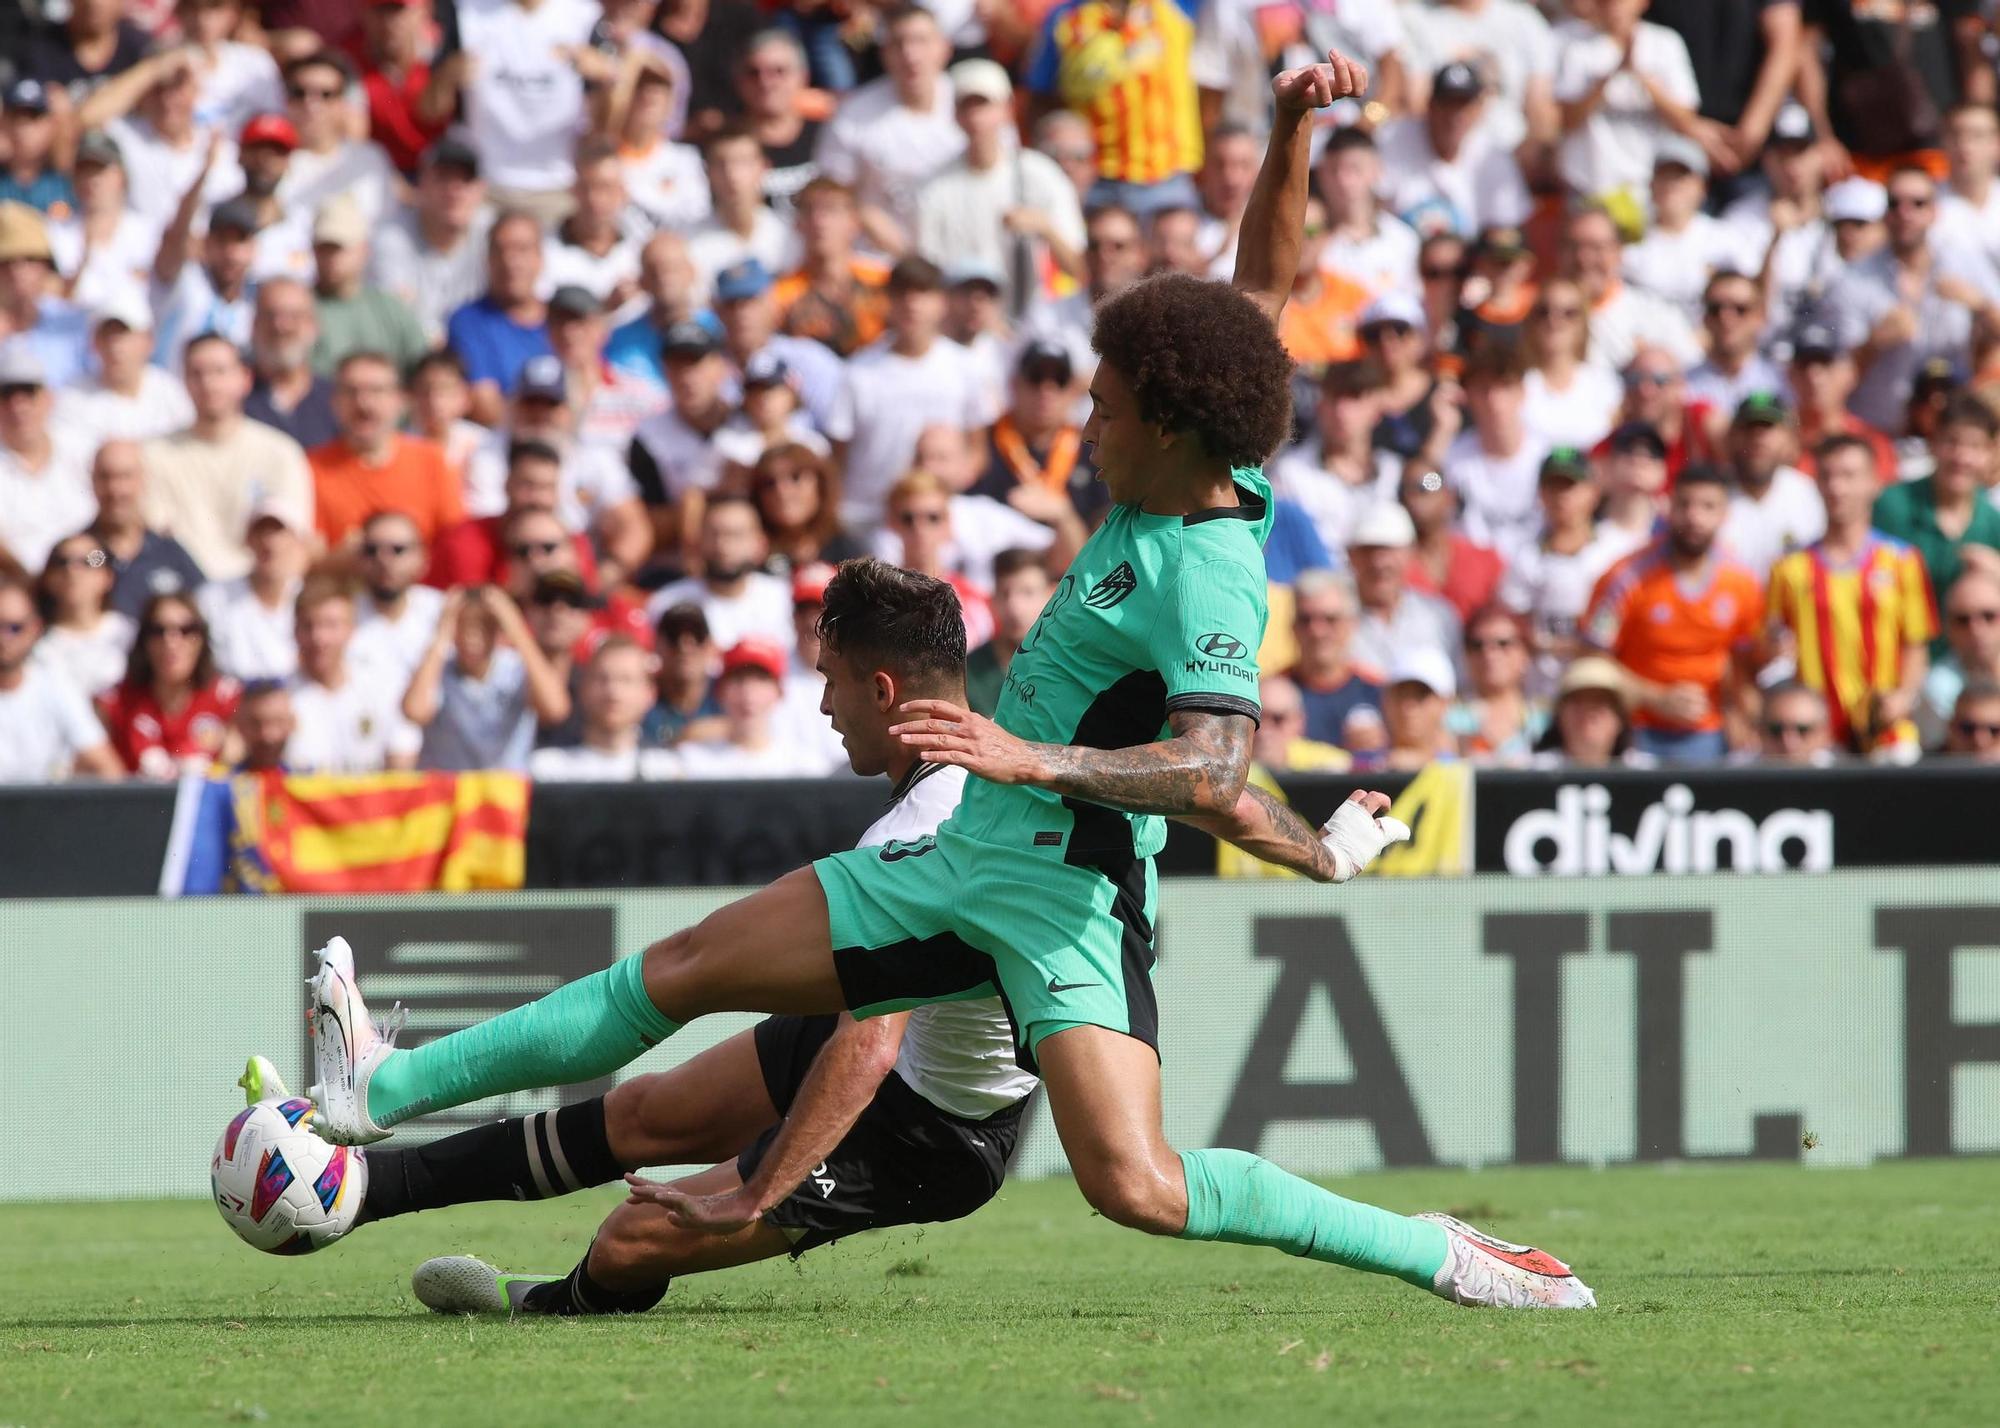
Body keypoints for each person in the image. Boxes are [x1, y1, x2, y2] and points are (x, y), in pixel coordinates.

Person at [300, 51, 1594, 1314]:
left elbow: (1214, 767)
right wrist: (1289, 132)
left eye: (1107, 406)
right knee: (687, 965)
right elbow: (1260, 289)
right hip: (964, 854)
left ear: (1176, 425)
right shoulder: (1209, 461)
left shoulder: (1210, 573)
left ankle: (1432, 1250)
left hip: (1061, 898)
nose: (1087, 425)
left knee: (1135, 1183)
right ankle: (382, 1086)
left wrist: (1038, 760)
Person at [1767, 434, 1937, 759]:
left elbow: (1916, 644)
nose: (1837, 487)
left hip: (1886, 731)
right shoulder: (1789, 567)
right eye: (1828, 475)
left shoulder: (1902, 561)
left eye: (1848, 476)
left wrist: (1902, 697)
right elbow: (1769, 646)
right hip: (1814, 736)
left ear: (1874, 483)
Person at [1583, 464, 1763, 761]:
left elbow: (1743, 661)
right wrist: (1654, 697)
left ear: (1725, 515)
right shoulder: (1626, 578)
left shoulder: (1742, 583)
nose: (1694, 517)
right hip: (1636, 730)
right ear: (1667, 508)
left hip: (1709, 732)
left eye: (1708, 507)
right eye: (1685, 504)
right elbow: (1592, 655)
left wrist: (1739, 711)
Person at [1827, 165, 2000, 434]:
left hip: (1951, 435)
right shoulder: (1853, 279)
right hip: (1879, 432)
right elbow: (1831, 378)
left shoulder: (1963, 263)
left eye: (1917, 204)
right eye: (1895, 204)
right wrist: (1873, 343)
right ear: (1884, 214)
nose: (1905, 214)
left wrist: (1981, 306)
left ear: (1934, 212)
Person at [837, 256, 998, 529]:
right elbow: (837, 456)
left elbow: (977, 450)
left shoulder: (966, 368)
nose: (912, 304)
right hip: (867, 519)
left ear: (941, 302)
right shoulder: (858, 371)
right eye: (902, 293)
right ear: (887, 300)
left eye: (923, 293)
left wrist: (948, 482)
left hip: (936, 520)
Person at [915, 59, 1084, 315]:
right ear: (956, 114)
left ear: (1007, 109)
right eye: (967, 105)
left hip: (1034, 320)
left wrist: (1045, 228)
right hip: (963, 327)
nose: (976, 116)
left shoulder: (1040, 174)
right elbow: (929, 275)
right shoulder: (935, 187)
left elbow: (1079, 267)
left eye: (984, 104)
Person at [144, 334, 316, 584]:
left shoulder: (280, 453)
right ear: (184, 382)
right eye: (197, 373)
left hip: (260, 593)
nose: (208, 383)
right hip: (182, 596)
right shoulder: (152, 454)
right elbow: (148, 538)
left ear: (245, 378)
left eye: (219, 371)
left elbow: (296, 543)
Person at [813, 5, 964, 245]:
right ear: (884, 53)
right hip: (877, 263)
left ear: (945, 48)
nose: (910, 54)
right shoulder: (853, 116)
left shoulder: (972, 103)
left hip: (959, 259)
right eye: (899, 43)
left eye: (921, 41)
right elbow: (833, 193)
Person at [1500, 447, 1637, 698]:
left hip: (1606, 688)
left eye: (1570, 486)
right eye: (1553, 487)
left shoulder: (1617, 550)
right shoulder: (1524, 557)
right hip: (1545, 690)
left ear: (1593, 492)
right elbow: (1518, 625)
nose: (1561, 496)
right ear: (1540, 494)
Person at [403, 585, 571, 772]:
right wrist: (441, 635)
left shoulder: (516, 669)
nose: (472, 637)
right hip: (450, 795)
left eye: (484, 626)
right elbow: (415, 711)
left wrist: (517, 631)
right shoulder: (436, 670)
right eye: (463, 626)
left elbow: (555, 709)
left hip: (505, 794)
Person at [1553, 0, 1704, 202]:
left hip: (1650, 188)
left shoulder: (1665, 43)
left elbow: (1687, 119)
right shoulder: (1577, 48)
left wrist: (1642, 79)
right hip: (1591, 186)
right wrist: (1609, 77)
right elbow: (1566, 120)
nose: (1615, 6)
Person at [309, 352, 461, 550]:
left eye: (377, 391)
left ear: (400, 400)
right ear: (334, 401)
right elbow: (308, 554)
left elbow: (454, 541)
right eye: (351, 391)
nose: (363, 403)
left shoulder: (432, 461)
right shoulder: (311, 468)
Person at [1872, 393, 2000, 623]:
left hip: (1970, 655)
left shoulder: (1993, 522)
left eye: (1975, 446)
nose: (1962, 457)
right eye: (1952, 442)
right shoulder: (1891, 506)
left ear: (1991, 452)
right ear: (1933, 443)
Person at [1375, 61, 1531, 239]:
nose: (1455, 116)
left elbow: (1506, 231)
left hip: (1468, 262)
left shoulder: (1493, 156)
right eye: (1447, 104)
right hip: (1401, 259)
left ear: (1478, 110)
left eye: (1463, 105)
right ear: (1430, 105)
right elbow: (1372, 208)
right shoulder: (1392, 139)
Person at [97, 590, 241, 777]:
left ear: (201, 640)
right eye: (158, 631)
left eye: (186, 630)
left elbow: (238, 764)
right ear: (144, 641)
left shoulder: (227, 699)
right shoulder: (115, 703)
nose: (171, 642)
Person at [285, 578, 420, 772]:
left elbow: (401, 766)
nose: (319, 638)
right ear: (295, 630)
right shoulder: (280, 695)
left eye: (330, 625)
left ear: (351, 629)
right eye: (308, 626)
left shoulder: (384, 686)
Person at [369, 137, 492, 347]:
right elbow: (394, 319)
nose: (454, 191)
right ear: (421, 184)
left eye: (465, 180)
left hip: (477, 355)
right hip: (411, 357)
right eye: (443, 178)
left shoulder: (494, 235)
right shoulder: (390, 237)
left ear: (481, 190)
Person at [0, 575, 123, 783]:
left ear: (35, 629)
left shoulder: (54, 683)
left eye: (14, 628)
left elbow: (107, 767)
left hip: (43, 811)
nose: (4, 638)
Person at [444, 212, 554, 426]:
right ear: (487, 259)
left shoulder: (564, 321)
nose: (510, 261)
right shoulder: (468, 322)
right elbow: (485, 405)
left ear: (540, 258)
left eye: (522, 249)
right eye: (500, 250)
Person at [1563, 206, 1701, 374]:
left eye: (1596, 248)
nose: (1583, 258)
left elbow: (1693, 378)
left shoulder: (1658, 315)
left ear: (1618, 251)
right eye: (1573, 246)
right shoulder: (1541, 319)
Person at [645, 494, 793, 650]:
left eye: (735, 535)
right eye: (714, 534)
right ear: (698, 541)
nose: (723, 546)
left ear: (760, 545)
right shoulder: (667, 603)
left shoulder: (786, 600)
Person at [673, 637, 832, 778]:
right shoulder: (691, 764)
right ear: (720, 692)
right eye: (738, 680)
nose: (748, 693)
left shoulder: (805, 768)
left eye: (760, 680)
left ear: (779, 692)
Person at [83, 440, 207, 620]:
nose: (115, 489)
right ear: (93, 481)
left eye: (125, 477)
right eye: (105, 477)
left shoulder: (167, 553)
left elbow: (203, 610)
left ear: (143, 480)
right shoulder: (88, 554)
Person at [306, 197, 428, 378]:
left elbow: (422, 367)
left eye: (339, 248)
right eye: (324, 248)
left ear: (364, 250)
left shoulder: (390, 308)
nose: (331, 258)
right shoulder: (300, 309)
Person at [0, 344, 96, 574]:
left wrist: (93, 569)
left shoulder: (82, 449)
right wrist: (27, 581)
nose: (18, 406)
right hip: (17, 585)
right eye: (6, 395)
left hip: (91, 569)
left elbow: (110, 523)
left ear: (48, 398)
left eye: (28, 392)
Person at [530, 637, 680, 780]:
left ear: (650, 693)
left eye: (625, 680)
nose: (612, 692)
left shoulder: (667, 771)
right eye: (602, 679)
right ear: (583, 688)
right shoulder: (547, 769)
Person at [53, 298, 194, 447]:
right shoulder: (73, 396)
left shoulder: (170, 390)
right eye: (107, 336)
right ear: (94, 343)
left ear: (148, 341)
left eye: (124, 335)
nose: (115, 347)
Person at [274, 51, 396, 225]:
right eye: (299, 93)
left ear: (343, 103)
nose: (311, 104)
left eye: (326, 94)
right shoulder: (269, 161)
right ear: (286, 100)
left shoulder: (371, 159)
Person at [774, 177, 890, 357]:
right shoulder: (781, 294)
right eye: (809, 210)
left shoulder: (883, 282)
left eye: (831, 210)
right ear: (798, 224)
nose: (819, 221)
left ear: (854, 222)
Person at [684, 127, 800, 303]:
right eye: (721, 164)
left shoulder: (791, 235)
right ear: (707, 173)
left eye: (742, 162)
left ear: (763, 167)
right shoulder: (686, 242)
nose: (732, 175)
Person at [883, 469, 995, 649]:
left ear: (948, 524)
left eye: (932, 518)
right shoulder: (876, 597)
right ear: (891, 522)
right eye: (908, 518)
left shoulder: (976, 604)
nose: (920, 528)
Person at [1717, 392, 1826, 576]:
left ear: (1788, 438)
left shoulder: (1806, 493)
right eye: (1749, 428)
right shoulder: (1711, 494)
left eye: (1768, 427)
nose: (1758, 438)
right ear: (1732, 436)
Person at [1347, 500, 1460, 674]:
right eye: (1368, 551)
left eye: (1390, 551)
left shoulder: (1439, 616)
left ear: (1411, 553)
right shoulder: (1328, 618)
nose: (1380, 562)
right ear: (1351, 556)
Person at [199, 509, 307, 681]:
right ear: (248, 540)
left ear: (295, 540)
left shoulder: (308, 598)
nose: (269, 542)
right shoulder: (213, 598)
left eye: (278, 531)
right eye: (262, 532)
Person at [1285, 568, 1384, 752]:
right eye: (1306, 619)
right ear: (1292, 626)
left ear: (1352, 624)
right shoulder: (1269, 695)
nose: (1317, 631)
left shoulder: (1378, 692)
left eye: (1330, 620)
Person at [1520, 279, 1622, 452]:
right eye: (1544, 311)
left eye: (1569, 313)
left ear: (1583, 323)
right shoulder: (1515, 382)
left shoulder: (1606, 384)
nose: (1554, 321)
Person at [347, 510, 444, 689]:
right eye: (372, 550)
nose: (384, 560)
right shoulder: (340, 617)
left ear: (422, 557)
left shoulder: (443, 613)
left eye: (398, 550)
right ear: (359, 558)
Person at [1788, 320, 1896, 479]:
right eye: (1804, 366)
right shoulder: (1778, 439)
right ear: (1790, 375)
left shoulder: (1873, 443)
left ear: (1850, 374)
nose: (1814, 377)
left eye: (1826, 364)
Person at [33, 532, 135, 698]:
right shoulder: (35, 647)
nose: (72, 570)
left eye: (89, 561)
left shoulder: (133, 635)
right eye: (62, 562)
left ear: (107, 576)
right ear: (47, 578)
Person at [241, 277, 338, 449]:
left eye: (294, 316)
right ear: (254, 325)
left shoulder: (337, 401)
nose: (281, 326)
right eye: (270, 315)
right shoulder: (235, 397)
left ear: (314, 326)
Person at [1401, 466, 1504, 622]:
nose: (1412, 498)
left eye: (1424, 486)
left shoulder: (1485, 560)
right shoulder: (1393, 564)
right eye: (1405, 491)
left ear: (1449, 496)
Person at [1446, 604, 1543, 764]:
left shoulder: (1545, 720)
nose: (1489, 654)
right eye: (1477, 645)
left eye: (1503, 643)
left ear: (1525, 653)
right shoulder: (1448, 717)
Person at [966, 548, 1051, 717]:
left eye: (1027, 592)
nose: (1014, 607)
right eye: (1005, 593)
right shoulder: (967, 675)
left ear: (1052, 596)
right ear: (992, 599)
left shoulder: (1068, 666)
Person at [1684, 269, 1784, 412]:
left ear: (1760, 317)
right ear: (1704, 318)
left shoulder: (1784, 384)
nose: (1726, 318)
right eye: (1715, 309)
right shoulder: (1683, 387)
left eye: (1740, 309)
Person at [750, 442, 859, 572]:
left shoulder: (849, 551)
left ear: (820, 485)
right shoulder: (747, 553)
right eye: (769, 483)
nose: (782, 491)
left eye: (795, 477)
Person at [1921, 567, 2000, 745]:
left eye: (1989, 616)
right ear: (1946, 627)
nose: (1977, 630)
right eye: (1963, 620)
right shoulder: (1935, 687)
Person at [1531, 655, 1644, 767]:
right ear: (1559, 715)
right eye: (1578, 702)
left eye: (1600, 703)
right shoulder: (1531, 772)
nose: (1588, 713)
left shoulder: (1648, 774)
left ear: (1620, 718)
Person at [645, 601, 721, 746]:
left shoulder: (728, 695)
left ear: (711, 646)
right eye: (674, 636)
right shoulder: (642, 697)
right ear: (657, 645)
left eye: (697, 636)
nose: (685, 647)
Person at [1378, 647, 1457, 771]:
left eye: (1421, 695)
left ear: (1445, 702)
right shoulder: (1360, 766)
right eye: (1401, 694)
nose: (1409, 707)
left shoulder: (1468, 770)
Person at [1756, 678, 1836, 767]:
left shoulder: (1844, 778)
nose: (1789, 743)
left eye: (1802, 730)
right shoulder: (1742, 776)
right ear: (1760, 733)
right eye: (1776, 730)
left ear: (1824, 735)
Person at [229, 676, 295, 771]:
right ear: (239, 725)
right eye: (255, 723)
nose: (267, 736)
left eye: (276, 722)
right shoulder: (220, 781)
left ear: (292, 723)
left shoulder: (311, 781)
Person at [1942, 681, 2000, 762]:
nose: (1980, 741)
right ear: (1951, 728)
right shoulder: (1923, 767)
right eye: (1968, 728)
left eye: (1994, 730)